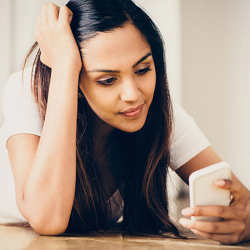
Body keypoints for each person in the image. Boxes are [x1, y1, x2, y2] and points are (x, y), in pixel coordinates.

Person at [0, 0, 249, 244]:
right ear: (75, 80)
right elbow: (48, 219)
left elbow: (238, 199)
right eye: (107, 80)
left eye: (143, 70)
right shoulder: (27, 90)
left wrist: (244, 221)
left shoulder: (153, 109)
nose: (133, 95)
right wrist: (65, 68)